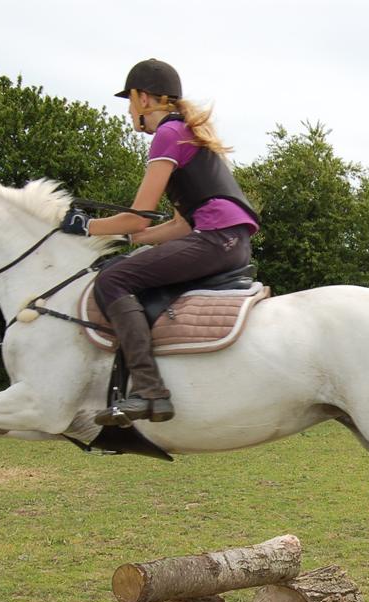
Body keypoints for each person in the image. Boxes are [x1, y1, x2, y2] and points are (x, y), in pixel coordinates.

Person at [60, 59, 259, 424]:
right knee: (128, 268)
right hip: (227, 241)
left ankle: (150, 392)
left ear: (143, 98)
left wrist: (85, 226)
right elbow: (181, 225)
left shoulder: (168, 134)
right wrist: (142, 237)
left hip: (215, 240)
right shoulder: (187, 133)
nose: (130, 111)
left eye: (129, 102)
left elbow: (136, 215)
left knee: (112, 279)